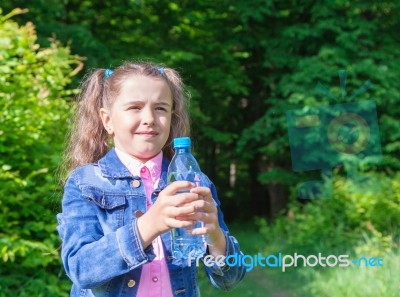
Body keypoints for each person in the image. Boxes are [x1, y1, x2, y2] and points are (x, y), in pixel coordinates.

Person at [57, 61, 246, 297]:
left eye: (160, 108)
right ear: (108, 120)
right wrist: (150, 225)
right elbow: (81, 269)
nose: (149, 118)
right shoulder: (85, 182)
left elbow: (230, 279)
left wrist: (215, 235)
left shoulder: (193, 182)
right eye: (134, 107)